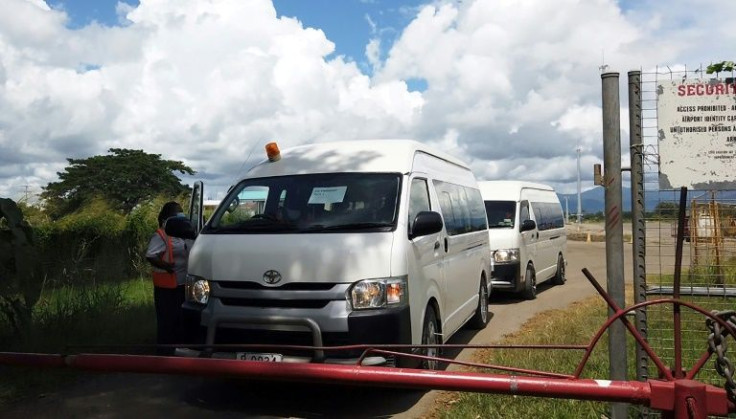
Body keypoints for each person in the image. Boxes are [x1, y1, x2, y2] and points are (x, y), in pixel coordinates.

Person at [145, 201, 192, 355]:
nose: (181, 215)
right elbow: (151, 255)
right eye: (177, 213)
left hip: (184, 284)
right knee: (167, 321)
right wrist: (166, 266)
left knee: (181, 319)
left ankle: (179, 350)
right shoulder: (162, 235)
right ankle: (164, 354)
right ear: (168, 218)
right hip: (167, 286)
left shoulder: (184, 233)